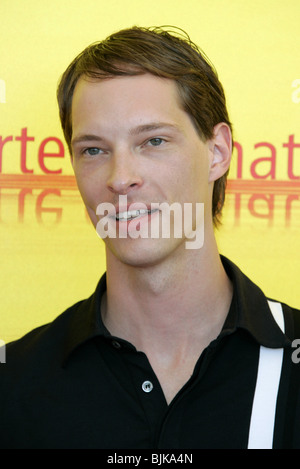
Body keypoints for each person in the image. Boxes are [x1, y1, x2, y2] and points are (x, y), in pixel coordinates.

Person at [0, 26, 299, 450]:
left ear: (217, 152)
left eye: (153, 141)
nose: (121, 178)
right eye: (94, 150)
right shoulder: (15, 383)